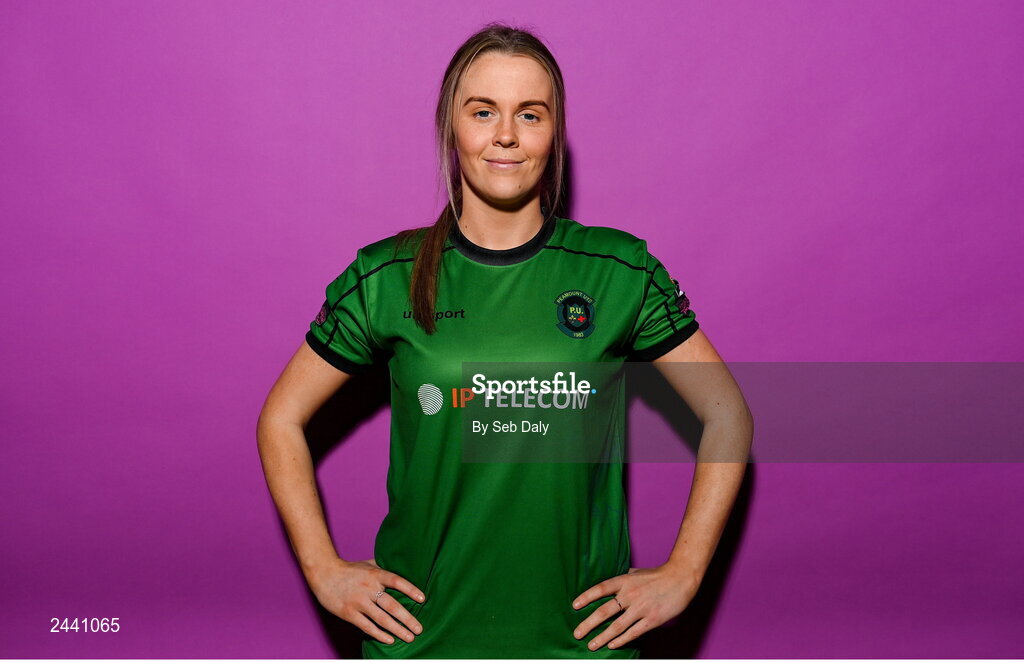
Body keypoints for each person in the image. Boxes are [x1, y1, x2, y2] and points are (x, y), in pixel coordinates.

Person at [257, 22, 753, 659]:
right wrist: (323, 567)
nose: (507, 135)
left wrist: (685, 572)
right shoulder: (387, 277)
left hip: (580, 643)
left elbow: (728, 413)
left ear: (555, 133)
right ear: (452, 128)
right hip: (423, 639)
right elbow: (280, 418)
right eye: (483, 111)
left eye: (531, 114)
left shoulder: (617, 271)